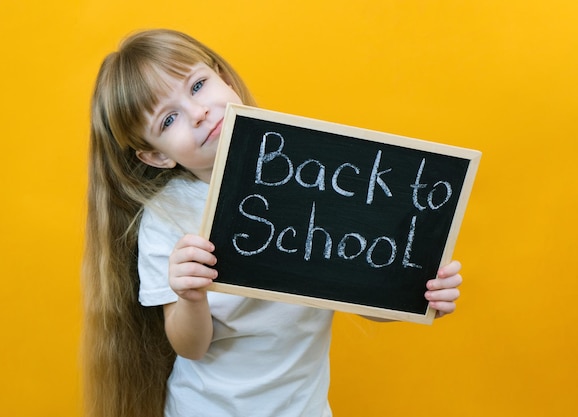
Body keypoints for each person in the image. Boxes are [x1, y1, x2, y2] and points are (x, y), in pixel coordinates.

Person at [82, 29, 463, 417]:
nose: (198, 114)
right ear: (156, 157)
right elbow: (190, 346)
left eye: (197, 85)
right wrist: (190, 296)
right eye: (168, 120)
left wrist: (417, 290)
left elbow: (363, 297)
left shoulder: (313, 177)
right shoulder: (167, 218)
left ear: (224, 79)